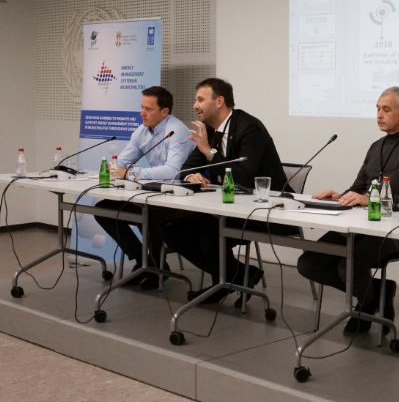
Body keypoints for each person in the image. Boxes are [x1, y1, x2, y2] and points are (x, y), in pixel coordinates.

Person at [296, 86, 399, 335]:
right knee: (309, 262)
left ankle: (365, 304)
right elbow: (359, 185)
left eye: (386, 109)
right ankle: (376, 294)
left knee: (348, 264)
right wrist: (340, 196)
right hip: (363, 224)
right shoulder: (376, 146)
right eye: (377, 109)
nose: (379, 115)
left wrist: (366, 197)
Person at [160, 78, 292, 305]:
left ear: (219, 101)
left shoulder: (250, 128)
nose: (195, 105)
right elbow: (186, 169)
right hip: (228, 206)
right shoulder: (211, 131)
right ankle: (238, 276)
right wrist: (191, 176)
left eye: (200, 99)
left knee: (209, 229)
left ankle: (226, 281)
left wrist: (210, 153)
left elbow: (244, 177)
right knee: (172, 229)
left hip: (268, 209)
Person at [93, 86, 194, 290]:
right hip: (153, 192)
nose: (142, 113)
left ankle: (156, 268)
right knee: (103, 209)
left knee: (148, 214)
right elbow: (122, 162)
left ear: (164, 112)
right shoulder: (141, 130)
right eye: (141, 107)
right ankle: (142, 260)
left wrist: (131, 174)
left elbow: (172, 171)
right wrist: (115, 168)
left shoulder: (177, 131)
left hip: (181, 197)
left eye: (148, 109)